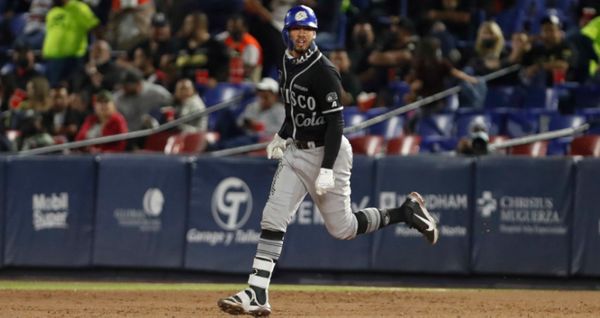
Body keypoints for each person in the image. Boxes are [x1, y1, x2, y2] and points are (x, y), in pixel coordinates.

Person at [217, 5, 439, 317]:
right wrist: (282, 135)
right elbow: (294, 108)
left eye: (307, 29)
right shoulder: (285, 60)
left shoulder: (324, 70)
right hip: (297, 152)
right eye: (297, 28)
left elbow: (336, 125)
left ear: (315, 32)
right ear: (287, 31)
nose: (302, 34)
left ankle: (406, 212)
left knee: (343, 228)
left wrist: (325, 168)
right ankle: (256, 292)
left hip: (328, 152)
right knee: (273, 216)